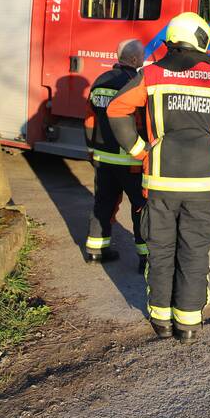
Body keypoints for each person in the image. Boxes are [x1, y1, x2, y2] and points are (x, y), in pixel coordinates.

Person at [107, 12, 210, 343]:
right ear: (203, 41)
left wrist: (140, 150)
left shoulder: (151, 75)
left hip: (160, 183)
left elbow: (116, 109)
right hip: (204, 185)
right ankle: (189, 325)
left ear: (171, 41)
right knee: (195, 250)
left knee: (161, 250)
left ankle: (161, 320)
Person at [83, 39, 148, 271]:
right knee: (141, 206)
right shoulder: (134, 83)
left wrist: (90, 148)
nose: (143, 59)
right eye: (142, 56)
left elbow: (90, 119)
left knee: (103, 202)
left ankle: (95, 250)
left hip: (102, 157)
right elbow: (140, 122)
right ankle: (145, 259)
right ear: (133, 60)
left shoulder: (100, 81)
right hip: (130, 159)